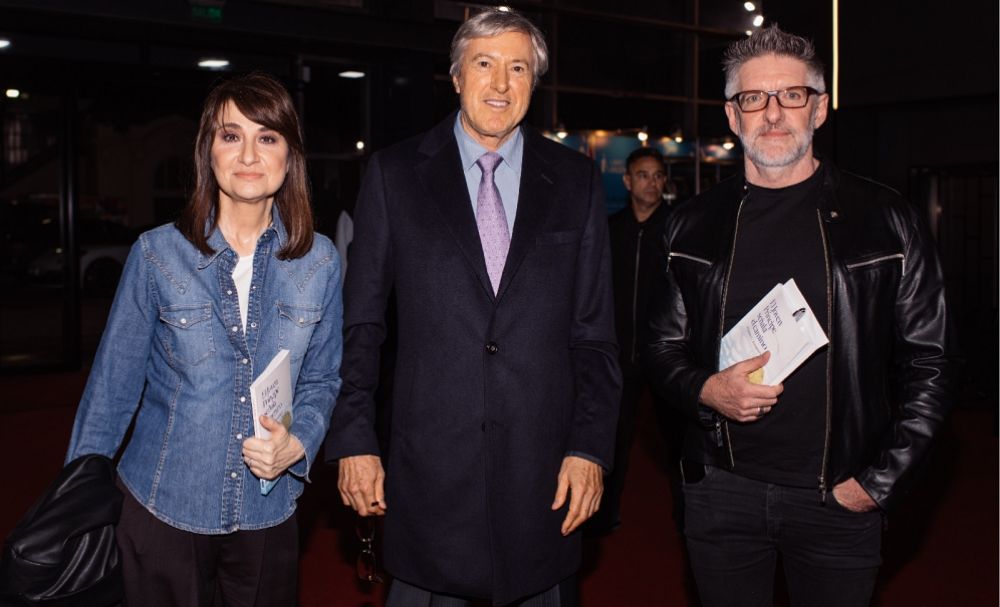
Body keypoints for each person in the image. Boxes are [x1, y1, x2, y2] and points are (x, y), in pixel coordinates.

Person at [644, 25, 957, 607]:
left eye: (791, 95)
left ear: (819, 108)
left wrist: (876, 484)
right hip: (721, 492)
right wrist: (707, 389)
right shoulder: (687, 225)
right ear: (732, 117)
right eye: (753, 99)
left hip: (839, 496)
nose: (772, 113)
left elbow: (931, 362)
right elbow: (659, 348)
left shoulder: (888, 219)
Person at [325, 7, 621, 606]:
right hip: (428, 476)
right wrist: (353, 437)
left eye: (518, 68)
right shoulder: (394, 174)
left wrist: (589, 448)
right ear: (457, 76)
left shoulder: (575, 180)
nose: (501, 83)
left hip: (542, 481)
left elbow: (594, 334)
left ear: (534, 84)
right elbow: (361, 325)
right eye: (484, 64)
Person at [65, 72, 343, 606]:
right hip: (163, 506)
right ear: (207, 151)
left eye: (267, 138)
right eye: (230, 135)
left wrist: (299, 440)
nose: (248, 154)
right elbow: (110, 392)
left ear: (290, 157)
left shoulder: (320, 262)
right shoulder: (156, 255)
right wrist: (75, 506)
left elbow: (323, 377)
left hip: (269, 510)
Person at [590, 147, 684, 535]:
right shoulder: (609, 231)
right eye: (643, 175)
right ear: (627, 181)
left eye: (658, 176)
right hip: (619, 355)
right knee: (613, 440)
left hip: (665, 356)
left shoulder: (677, 230)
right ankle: (603, 516)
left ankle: (689, 518)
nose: (652, 183)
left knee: (679, 442)